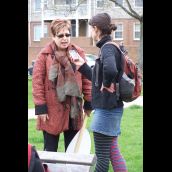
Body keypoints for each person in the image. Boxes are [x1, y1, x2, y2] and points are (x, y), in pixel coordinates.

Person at [71, 13, 128, 172]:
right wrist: (83, 66)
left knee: (102, 159)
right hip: (113, 109)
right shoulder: (110, 46)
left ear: (96, 29)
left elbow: (110, 70)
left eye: (90, 28)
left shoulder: (107, 48)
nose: (90, 32)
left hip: (106, 111)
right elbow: (98, 77)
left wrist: (107, 84)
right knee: (113, 153)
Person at [32, 19, 92, 152]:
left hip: (73, 110)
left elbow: (87, 80)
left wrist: (89, 102)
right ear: (53, 36)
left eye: (67, 34)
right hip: (52, 110)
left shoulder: (78, 53)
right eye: (60, 35)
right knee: (50, 152)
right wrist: (41, 108)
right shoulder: (44, 55)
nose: (65, 38)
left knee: (72, 153)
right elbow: (37, 83)